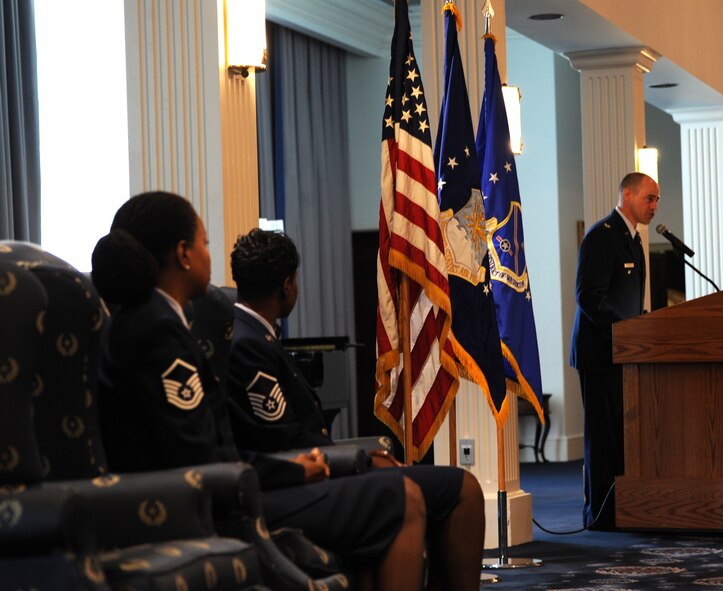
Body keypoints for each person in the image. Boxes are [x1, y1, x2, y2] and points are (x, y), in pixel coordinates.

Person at [91, 191, 427, 591]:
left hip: (212, 493)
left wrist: (296, 465)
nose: (208, 255)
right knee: (402, 497)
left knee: (379, 505)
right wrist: (293, 470)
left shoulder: (149, 322)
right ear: (183, 254)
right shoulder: (157, 331)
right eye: (205, 243)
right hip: (209, 508)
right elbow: (202, 457)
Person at [226, 228, 485, 591]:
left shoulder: (252, 334)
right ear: (288, 285)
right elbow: (283, 443)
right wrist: (356, 461)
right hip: (301, 482)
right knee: (464, 489)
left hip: (317, 473)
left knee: (459, 487)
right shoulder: (248, 344)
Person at [570, 172, 660, 530]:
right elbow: (588, 296)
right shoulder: (602, 236)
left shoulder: (633, 240)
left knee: (623, 437)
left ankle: (622, 509)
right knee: (602, 438)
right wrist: (627, 327)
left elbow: (628, 300)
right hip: (599, 354)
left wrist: (639, 323)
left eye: (656, 200)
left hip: (624, 352)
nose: (654, 206)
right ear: (627, 194)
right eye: (649, 198)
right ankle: (601, 516)